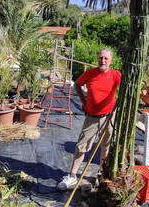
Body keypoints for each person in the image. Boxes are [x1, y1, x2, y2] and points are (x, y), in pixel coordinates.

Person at [56, 48, 121, 190]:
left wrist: (117, 107)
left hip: (108, 116)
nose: (102, 61)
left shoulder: (115, 75)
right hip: (91, 116)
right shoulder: (90, 73)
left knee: (106, 147)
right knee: (81, 146)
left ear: (111, 60)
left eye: (105, 58)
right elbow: (77, 84)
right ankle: (72, 176)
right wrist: (83, 101)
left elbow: (124, 91)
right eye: (100, 58)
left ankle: (101, 175)